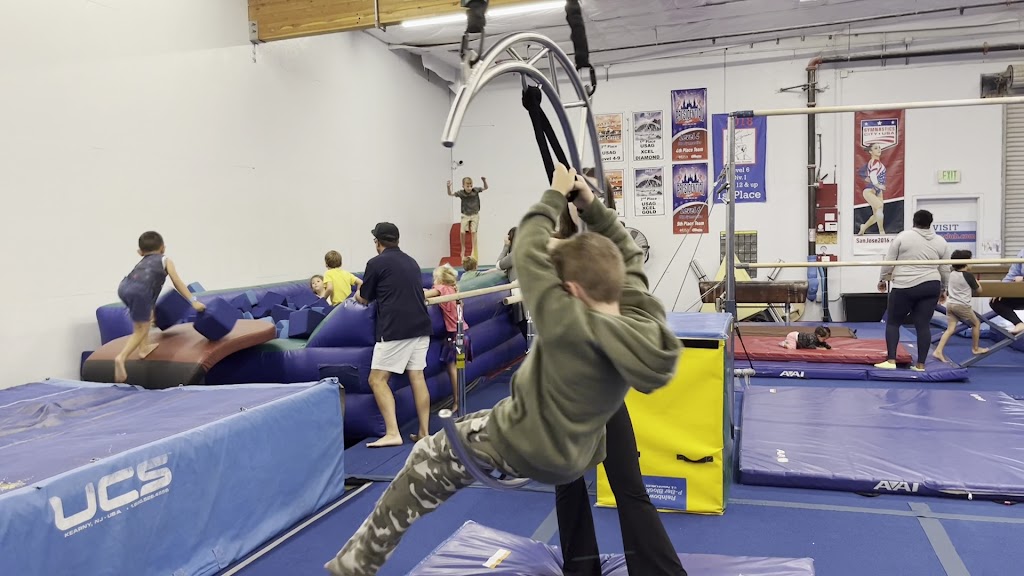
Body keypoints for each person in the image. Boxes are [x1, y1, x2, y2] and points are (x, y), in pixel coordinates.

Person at [324, 164, 682, 576]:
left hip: (530, 436)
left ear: (572, 290)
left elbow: (528, 251)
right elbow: (629, 260)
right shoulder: (642, 315)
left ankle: (356, 562)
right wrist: (593, 209)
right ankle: (602, 566)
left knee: (429, 455)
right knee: (600, 458)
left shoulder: (564, 318)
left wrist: (554, 194)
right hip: (589, 429)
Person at [551, 171, 687, 576]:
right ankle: (582, 568)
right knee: (575, 487)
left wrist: (571, 198)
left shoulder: (593, 253)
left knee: (626, 488)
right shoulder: (568, 252)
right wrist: (574, 201)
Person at [354, 223, 433, 447]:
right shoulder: (412, 261)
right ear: (397, 240)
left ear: (377, 242)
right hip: (421, 325)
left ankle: (392, 433)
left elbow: (365, 297)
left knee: (376, 380)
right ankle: (425, 432)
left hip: (396, 328)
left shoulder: (376, 263)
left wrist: (358, 294)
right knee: (417, 377)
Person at [114, 231, 205, 383]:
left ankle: (143, 349)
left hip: (124, 287)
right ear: (163, 248)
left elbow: (146, 285)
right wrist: (193, 300)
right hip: (140, 291)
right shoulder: (165, 260)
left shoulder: (142, 262)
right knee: (140, 329)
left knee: (146, 316)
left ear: (140, 252)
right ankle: (121, 357)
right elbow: (177, 281)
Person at [875, 209, 951, 371]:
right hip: (931, 285)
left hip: (905, 285)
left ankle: (891, 361)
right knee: (923, 325)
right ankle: (921, 364)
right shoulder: (941, 241)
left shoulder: (903, 237)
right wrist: (944, 288)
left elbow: (889, 261)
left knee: (894, 322)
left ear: (914, 222)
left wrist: (882, 279)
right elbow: (945, 268)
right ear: (930, 223)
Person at [423, 265, 472, 415]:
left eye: (434, 278)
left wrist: (424, 291)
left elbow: (423, 295)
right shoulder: (454, 290)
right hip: (464, 332)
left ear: (440, 279)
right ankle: (460, 399)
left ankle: (458, 401)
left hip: (453, 335)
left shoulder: (442, 289)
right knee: (459, 366)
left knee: (453, 369)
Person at [933, 250, 989, 362]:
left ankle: (938, 351)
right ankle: (975, 348)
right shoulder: (968, 276)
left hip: (951, 305)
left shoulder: (952, 273)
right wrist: (977, 282)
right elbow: (979, 290)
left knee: (950, 329)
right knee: (976, 323)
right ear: (966, 262)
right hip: (962, 306)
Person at [447, 176, 488, 260]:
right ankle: (463, 249)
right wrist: (448, 187)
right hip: (465, 215)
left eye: (470, 186)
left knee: (473, 232)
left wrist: (484, 181)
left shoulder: (475, 190)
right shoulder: (461, 193)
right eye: (467, 186)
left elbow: (486, 187)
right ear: (463, 186)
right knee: (462, 232)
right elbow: (450, 194)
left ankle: (473, 250)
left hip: (475, 214)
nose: (469, 188)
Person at [989, 247, 1024, 335]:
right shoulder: (1022, 252)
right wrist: (1002, 289)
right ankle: (1019, 323)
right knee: (996, 301)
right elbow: (1013, 274)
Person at [857, 143, 887, 235]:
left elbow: (861, 173)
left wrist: (876, 185)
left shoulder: (873, 162)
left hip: (877, 192)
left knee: (877, 215)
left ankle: (864, 227)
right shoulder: (875, 162)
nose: (879, 150)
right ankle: (882, 232)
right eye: (875, 148)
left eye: (879, 147)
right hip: (870, 190)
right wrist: (878, 185)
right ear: (870, 151)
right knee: (880, 207)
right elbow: (873, 175)